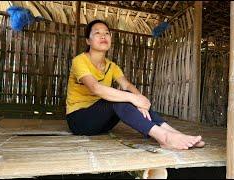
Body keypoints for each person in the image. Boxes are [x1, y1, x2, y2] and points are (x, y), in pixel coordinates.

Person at [66, 20, 205, 150]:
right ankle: (164, 137)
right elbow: (95, 87)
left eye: (106, 33)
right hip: (79, 121)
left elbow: (126, 85)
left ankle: (173, 132)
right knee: (120, 98)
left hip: (102, 123)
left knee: (131, 97)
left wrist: (140, 100)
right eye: (97, 33)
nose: (103, 36)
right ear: (88, 40)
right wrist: (132, 98)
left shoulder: (111, 66)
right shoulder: (80, 61)